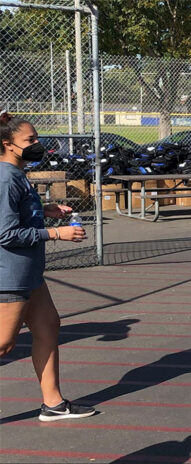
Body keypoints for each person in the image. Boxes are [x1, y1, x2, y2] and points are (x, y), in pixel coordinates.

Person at [0, 110, 93, 422]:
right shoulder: (5, 178)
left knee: (48, 326)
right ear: (8, 144)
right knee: (3, 344)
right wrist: (56, 233)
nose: (37, 144)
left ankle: (53, 404)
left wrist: (43, 211)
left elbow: (19, 214)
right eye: (30, 140)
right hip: (10, 274)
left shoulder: (17, 174)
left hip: (29, 273)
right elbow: (5, 234)